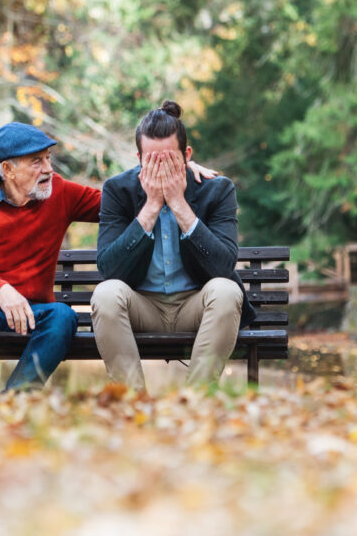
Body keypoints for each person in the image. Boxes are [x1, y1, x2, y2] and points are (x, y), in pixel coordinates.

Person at [0, 121, 215, 391]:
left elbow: (120, 201)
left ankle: (15, 400)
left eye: (48, 158)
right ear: (8, 169)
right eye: (37, 162)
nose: (48, 169)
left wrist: (175, 170)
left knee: (63, 317)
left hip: (33, 313)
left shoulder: (60, 193)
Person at [91, 100, 256, 390]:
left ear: (187, 155)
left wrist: (179, 205)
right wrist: (151, 206)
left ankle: (194, 402)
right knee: (105, 294)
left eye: (169, 160)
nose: (161, 168)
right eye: (152, 161)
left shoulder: (216, 190)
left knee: (227, 290)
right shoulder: (118, 190)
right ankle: (132, 404)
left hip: (197, 304)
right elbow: (109, 268)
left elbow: (223, 265)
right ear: (139, 158)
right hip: (142, 306)